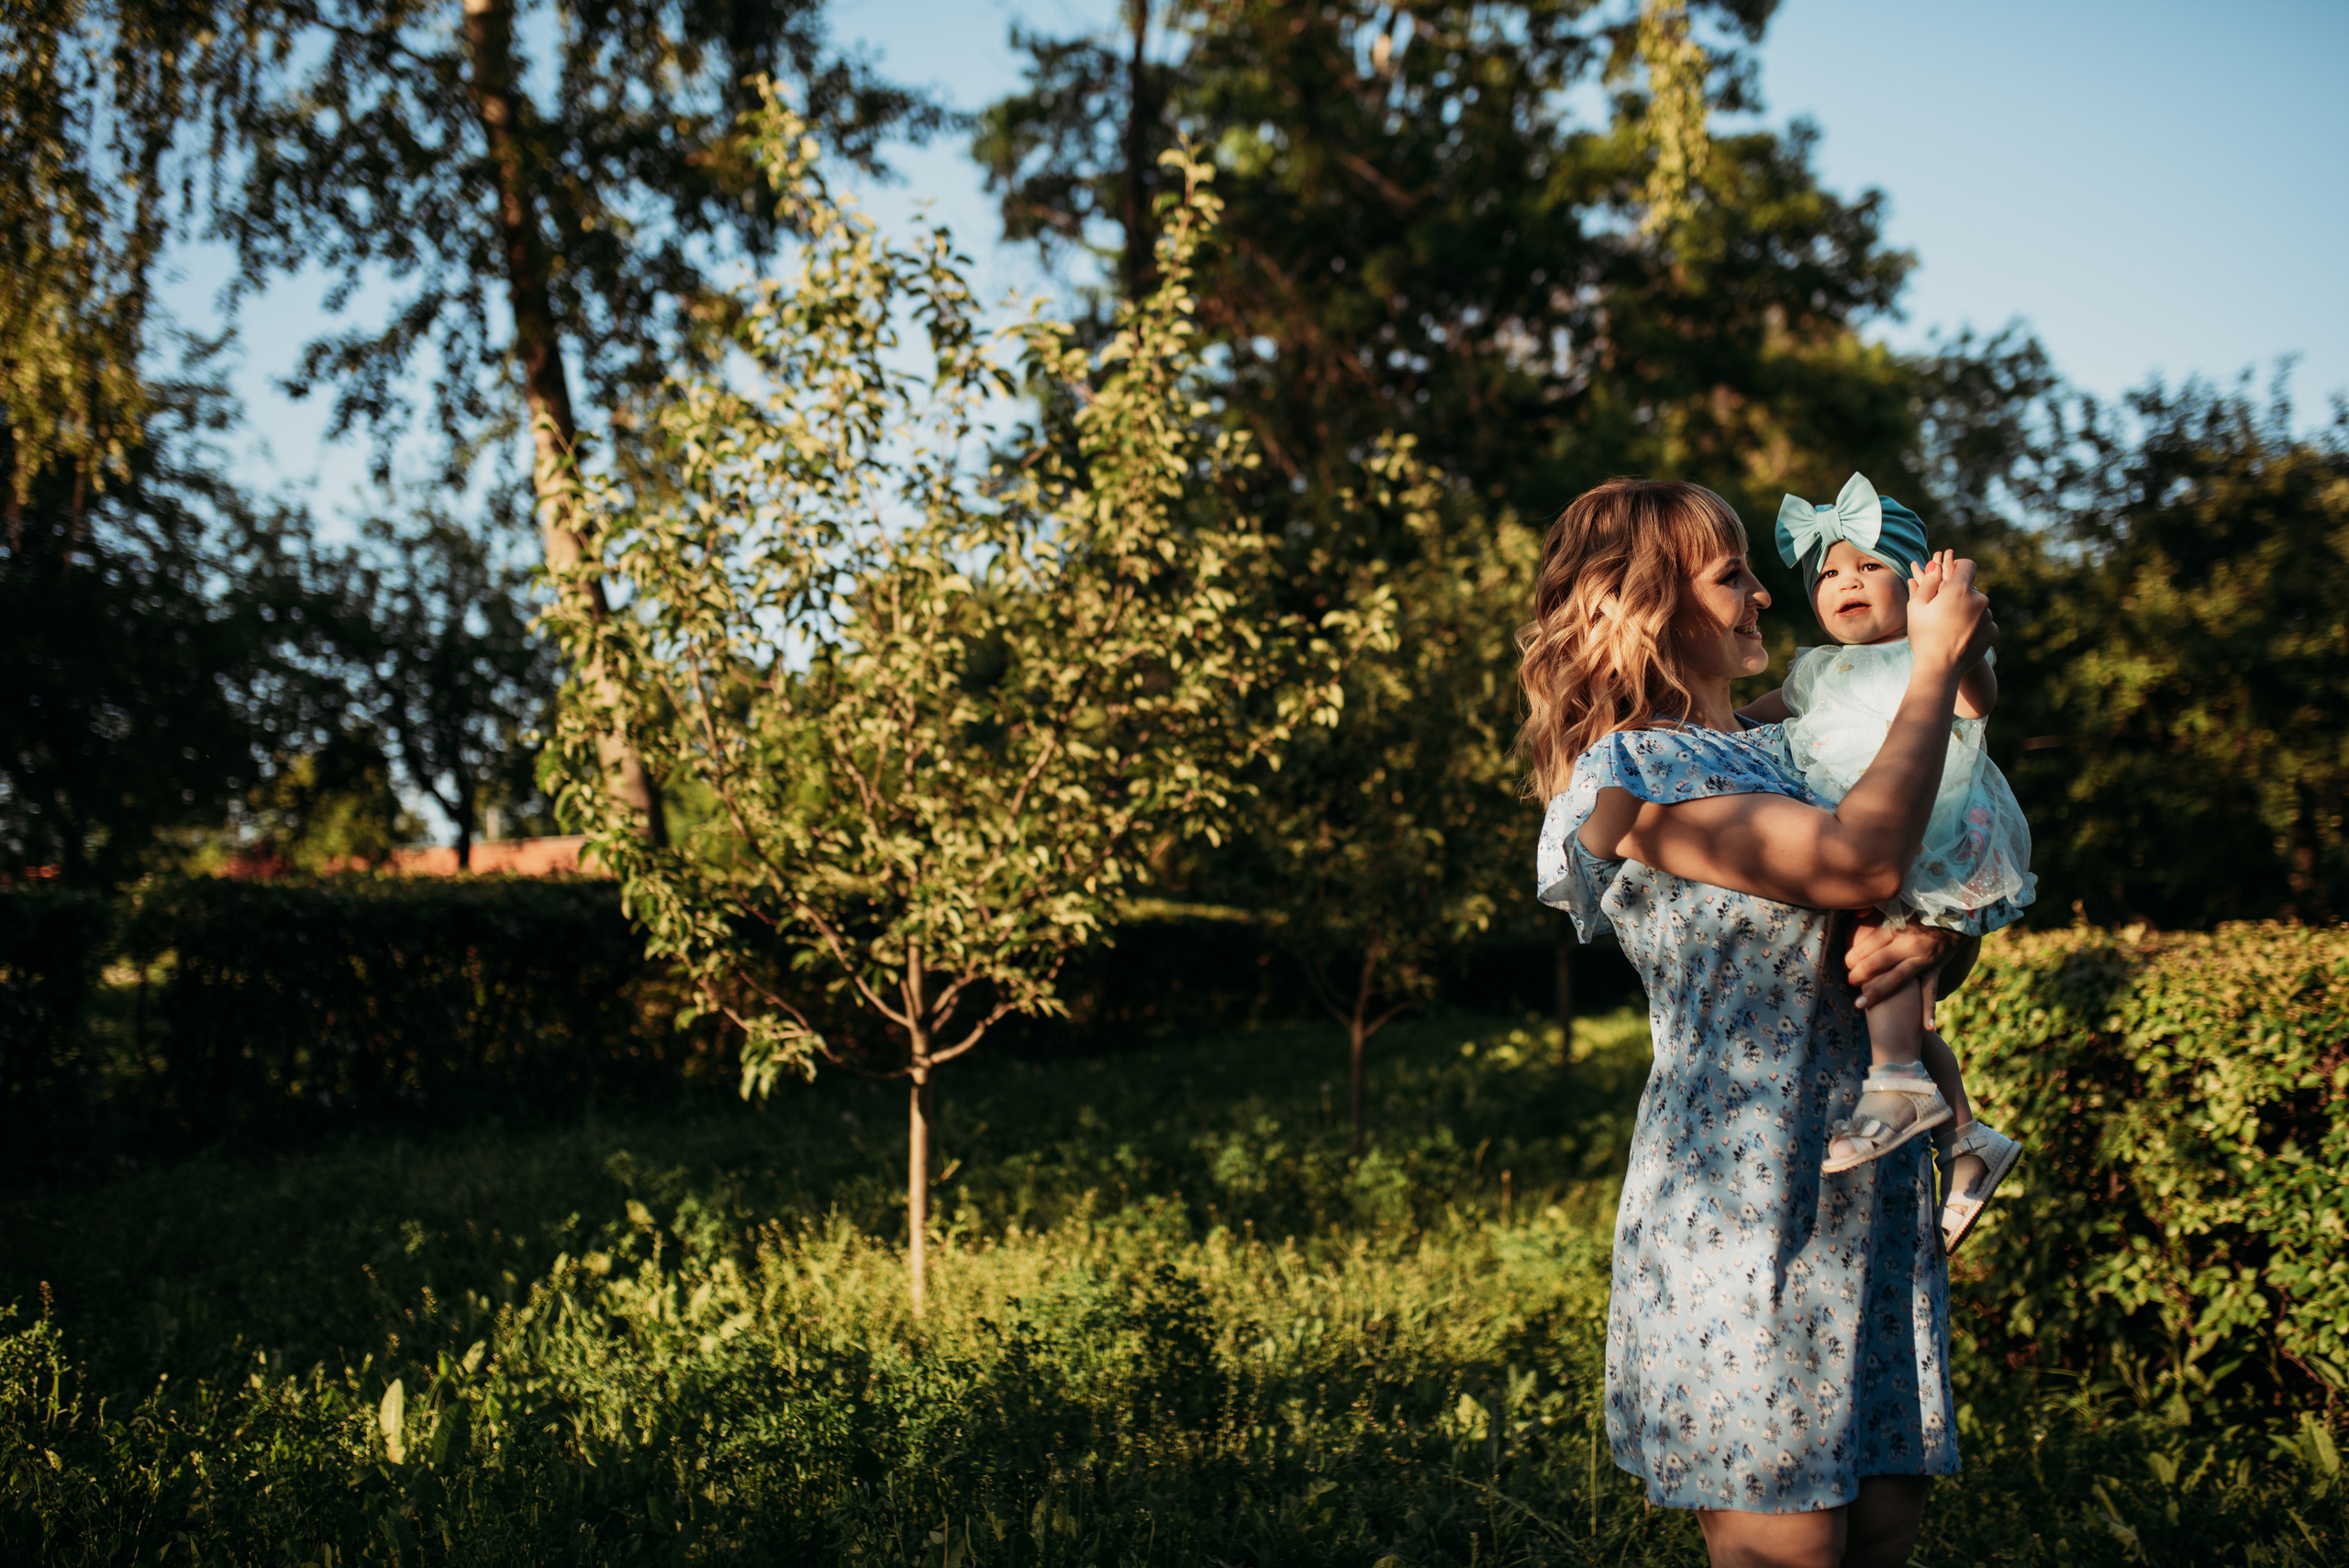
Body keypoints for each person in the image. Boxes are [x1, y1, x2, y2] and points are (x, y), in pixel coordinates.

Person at [1518, 477, 1995, 1567]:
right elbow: (1854, 860)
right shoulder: (1633, 777)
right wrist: (1926, 666)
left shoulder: (1793, 750)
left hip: (1864, 1186)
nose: (1762, 597)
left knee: (1879, 1527)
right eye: (1730, 572)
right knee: (1788, 1546)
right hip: (1742, 1200)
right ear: (1645, 602)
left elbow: (1886, 913)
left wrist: (1930, 946)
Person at [1736, 473, 2030, 1253]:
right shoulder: (1812, 671)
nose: (1844, 581)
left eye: (1868, 565)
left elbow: (1977, 699)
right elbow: (1740, 722)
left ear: (1912, 584)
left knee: (1875, 948)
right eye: (1829, 572)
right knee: (1877, 976)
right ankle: (1967, 1134)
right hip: (1851, 830)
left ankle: (1900, 1084)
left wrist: (1961, 641)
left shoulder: (1922, 653)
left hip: (1924, 828)